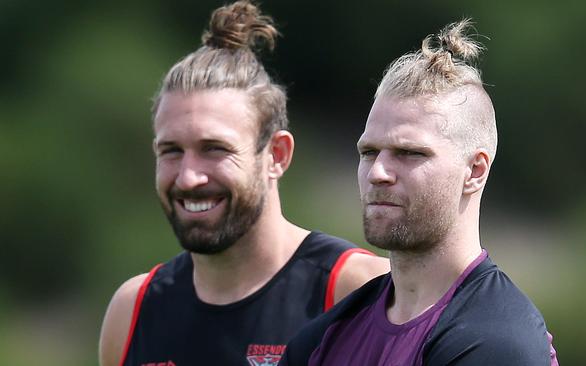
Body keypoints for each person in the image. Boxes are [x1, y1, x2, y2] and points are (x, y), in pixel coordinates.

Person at [98, 2, 389, 366]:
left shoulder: (360, 291)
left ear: (277, 155)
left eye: (214, 149)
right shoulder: (132, 310)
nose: (189, 177)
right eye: (171, 151)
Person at [280, 19, 559, 366]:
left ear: (475, 171)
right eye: (368, 152)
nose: (378, 173)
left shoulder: (497, 342)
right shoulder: (322, 339)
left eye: (410, 153)